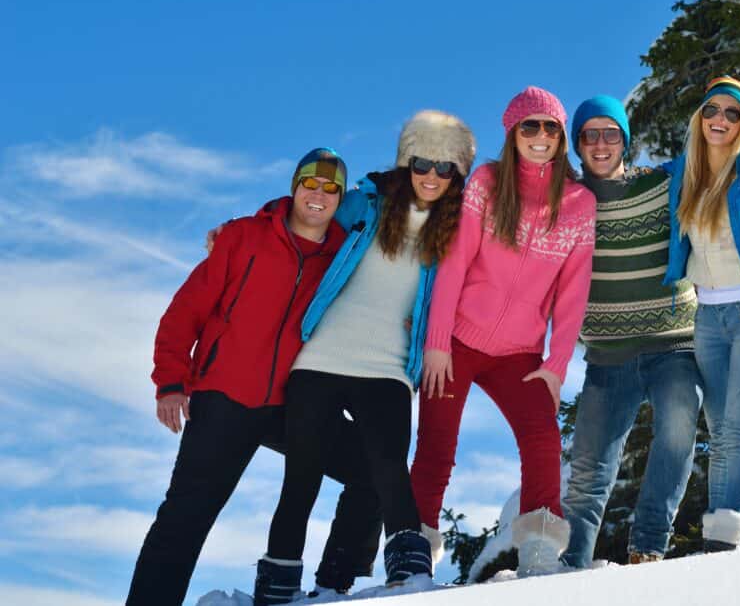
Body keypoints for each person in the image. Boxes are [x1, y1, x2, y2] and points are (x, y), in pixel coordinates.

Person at [253, 111, 476, 604]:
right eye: (423, 163)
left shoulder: (460, 229)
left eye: (446, 169)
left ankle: (388, 577)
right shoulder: (367, 203)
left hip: (388, 367)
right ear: (406, 161)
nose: (432, 176)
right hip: (321, 358)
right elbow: (305, 211)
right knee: (302, 478)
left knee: (388, 469)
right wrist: (245, 225)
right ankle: (277, 586)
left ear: (458, 175)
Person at [127, 148, 361, 606]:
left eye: (330, 189)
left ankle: (336, 586)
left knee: (374, 465)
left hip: (290, 406)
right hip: (223, 399)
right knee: (185, 518)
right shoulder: (243, 237)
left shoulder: (342, 256)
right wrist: (171, 382)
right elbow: (184, 312)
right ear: (294, 187)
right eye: (310, 184)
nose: (318, 195)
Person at [411, 86, 597, 577]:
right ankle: (411, 556)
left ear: (561, 138)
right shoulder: (489, 183)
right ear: (513, 134)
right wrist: (436, 343)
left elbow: (573, 294)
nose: (540, 136)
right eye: (529, 127)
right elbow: (454, 264)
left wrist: (556, 367)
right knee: (436, 447)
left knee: (541, 440)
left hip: (520, 353)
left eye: (550, 128)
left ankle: (539, 552)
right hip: (458, 342)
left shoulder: (578, 204)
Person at [560, 95, 703, 567]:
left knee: (679, 428)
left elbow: (716, 154)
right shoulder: (568, 202)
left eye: (611, 133)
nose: (601, 144)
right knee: (590, 466)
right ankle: (572, 560)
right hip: (607, 353)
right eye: (590, 135)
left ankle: (648, 545)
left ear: (625, 140)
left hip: (673, 341)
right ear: (577, 145)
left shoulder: (661, 184)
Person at [663, 76, 740, 551]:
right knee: (719, 429)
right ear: (701, 116)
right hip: (705, 314)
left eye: (734, 114)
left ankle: (728, 537)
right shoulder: (686, 171)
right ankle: (717, 533)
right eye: (714, 110)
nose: (721, 121)